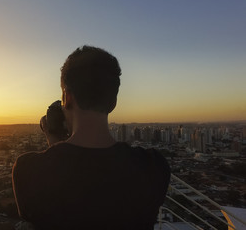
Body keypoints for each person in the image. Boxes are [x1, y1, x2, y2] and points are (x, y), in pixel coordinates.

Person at [12, 46, 171, 230]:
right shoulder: (153, 167)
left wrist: (54, 140)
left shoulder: (28, 170)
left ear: (67, 97)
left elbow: (65, 177)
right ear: (113, 102)